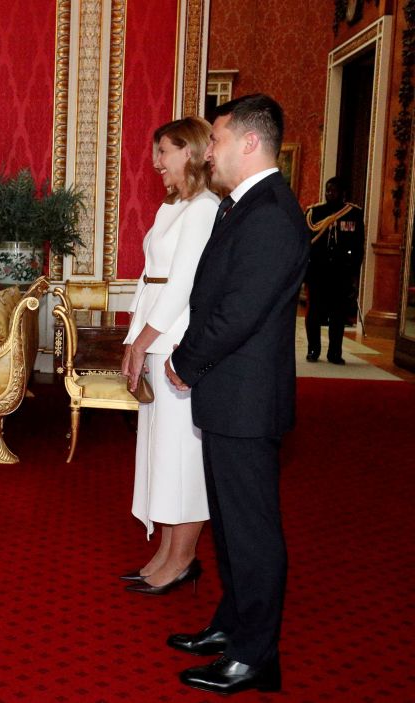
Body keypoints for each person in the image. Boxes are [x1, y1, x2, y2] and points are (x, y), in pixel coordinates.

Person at [164, 94, 309, 695]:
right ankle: (232, 623)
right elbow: (213, 296)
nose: (210, 152)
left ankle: (255, 655)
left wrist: (185, 361)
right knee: (227, 524)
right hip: (229, 395)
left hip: (246, 399)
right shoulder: (241, 206)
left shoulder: (271, 211)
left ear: (250, 143)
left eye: (217, 141)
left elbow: (238, 312)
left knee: (252, 531)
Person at [120, 117, 218, 595]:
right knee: (163, 451)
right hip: (154, 333)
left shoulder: (205, 208)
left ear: (191, 152)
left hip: (177, 339)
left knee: (184, 455)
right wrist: (132, 339)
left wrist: (143, 341)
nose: (156, 162)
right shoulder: (173, 206)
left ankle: (182, 561)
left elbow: (181, 286)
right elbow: (148, 277)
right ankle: (165, 553)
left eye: (164, 151)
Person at [304, 176, 365, 364]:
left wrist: (354, 274)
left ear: (343, 193)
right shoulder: (314, 213)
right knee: (313, 313)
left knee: (338, 315)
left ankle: (334, 353)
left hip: (341, 273)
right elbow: (306, 243)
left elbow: (357, 247)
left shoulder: (353, 214)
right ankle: (313, 350)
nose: (329, 194)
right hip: (318, 272)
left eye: (333, 190)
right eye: (327, 190)